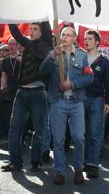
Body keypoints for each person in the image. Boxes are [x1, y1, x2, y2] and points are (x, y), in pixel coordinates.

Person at [40, 27, 93, 185]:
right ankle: (60, 171)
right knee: (58, 140)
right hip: (58, 101)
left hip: (76, 101)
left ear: (74, 38)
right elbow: (42, 71)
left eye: (68, 35)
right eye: (62, 34)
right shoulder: (54, 54)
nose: (64, 37)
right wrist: (50, 56)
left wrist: (72, 84)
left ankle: (78, 169)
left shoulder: (82, 56)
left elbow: (89, 77)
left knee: (78, 137)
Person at [2, 23, 52, 173]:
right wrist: (10, 17)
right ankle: (15, 162)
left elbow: (47, 25)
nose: (31, 31)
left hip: (38, 93)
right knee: (14, 128)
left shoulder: (46, 45)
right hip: (22, 92)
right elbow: (15, 32)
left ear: (42, 32)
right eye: (30, 29)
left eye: (35, 29)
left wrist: (42, 11)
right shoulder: (27, 44)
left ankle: (36, 162)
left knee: (39, 129)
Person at [83, 30, 109, 178]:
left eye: (89, 38)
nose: (86, 41)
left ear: (96, 42)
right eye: (85, 38)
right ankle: (83, 161)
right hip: (80, 100)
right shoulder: (80, 57)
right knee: (81, 134)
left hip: (96, 101)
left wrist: (107, 102)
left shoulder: (104, 62)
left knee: (94, 133)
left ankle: (92, 165)